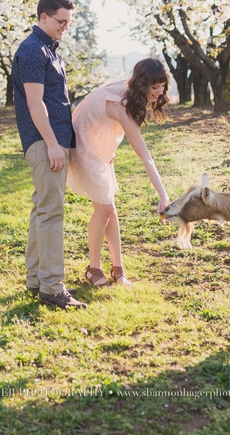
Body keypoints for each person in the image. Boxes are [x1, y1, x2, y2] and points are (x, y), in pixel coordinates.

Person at [67, 58, 171, 287]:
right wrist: (163, 195)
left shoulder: (130, 89)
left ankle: (118, 268)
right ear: (142, 84)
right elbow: (146, 157)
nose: (160, 91)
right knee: (104, 209)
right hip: (83, 146)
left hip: (99, 147)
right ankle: (93, 269)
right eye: (154, 87)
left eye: (162, 86)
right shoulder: (121, 105)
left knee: (110, 210)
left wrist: (106, 149)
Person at [12, 0, 86, 310]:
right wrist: (54, 144)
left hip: (53, 139)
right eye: (61, 22)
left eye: (68, 23)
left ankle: (36, 279)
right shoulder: (32, 50)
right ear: (43, 17)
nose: (65, 27)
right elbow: (35, 103)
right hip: (45, 142)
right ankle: (53, 287)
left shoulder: (48, 49)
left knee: (42, 209)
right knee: (52, 212)